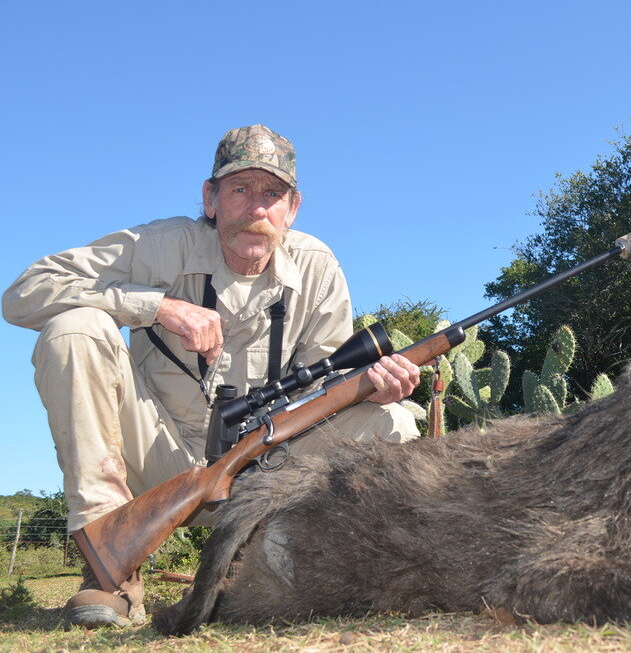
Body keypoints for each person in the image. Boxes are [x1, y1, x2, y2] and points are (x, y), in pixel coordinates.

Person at [2, 124, 421, 627]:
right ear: (210, 197)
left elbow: (325, 384)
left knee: (391, 422)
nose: (256, 207)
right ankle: (109, 569)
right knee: (74, 328)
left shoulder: (318, 266)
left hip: (265, 462)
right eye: (239, 189)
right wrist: (156, 307)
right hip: (158, 454)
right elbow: (25, 292)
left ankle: (344, 570)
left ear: (293, 208)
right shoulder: (160, 246)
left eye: (272, 193)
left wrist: (372, 393)